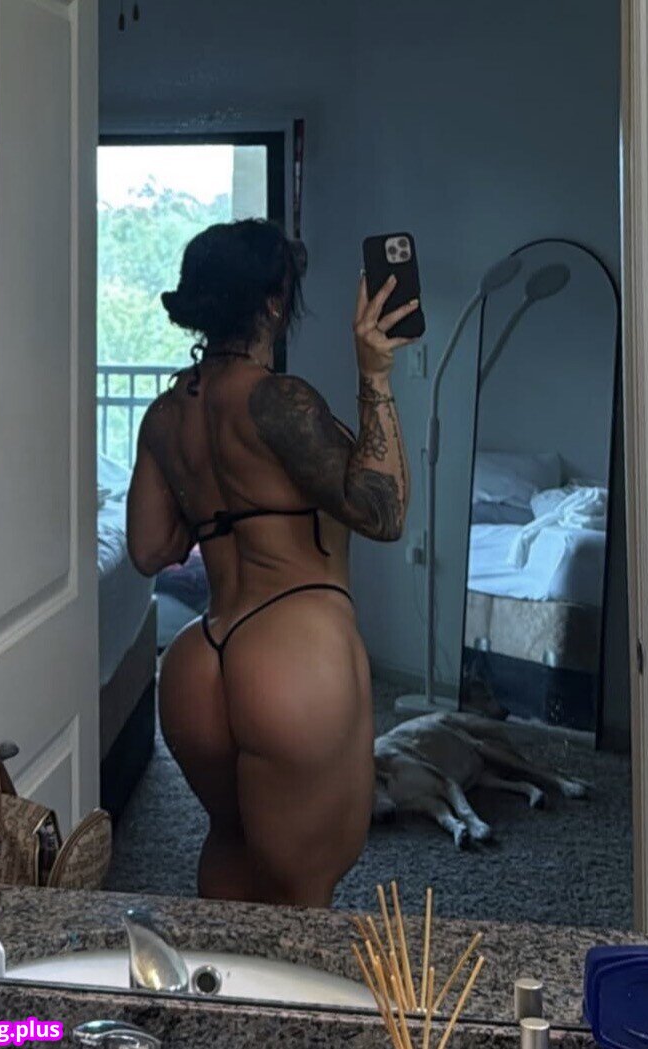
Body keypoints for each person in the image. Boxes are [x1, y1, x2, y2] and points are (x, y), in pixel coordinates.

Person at [127, 219, 416, 906]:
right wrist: (374, 375)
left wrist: (214, 498)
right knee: (304, 890)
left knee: (230, 849)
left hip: (200, 659)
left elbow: (149, 549)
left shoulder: (165, 415)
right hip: (293, 647)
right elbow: (382, 512)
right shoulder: (279, 400)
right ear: (275, 302)